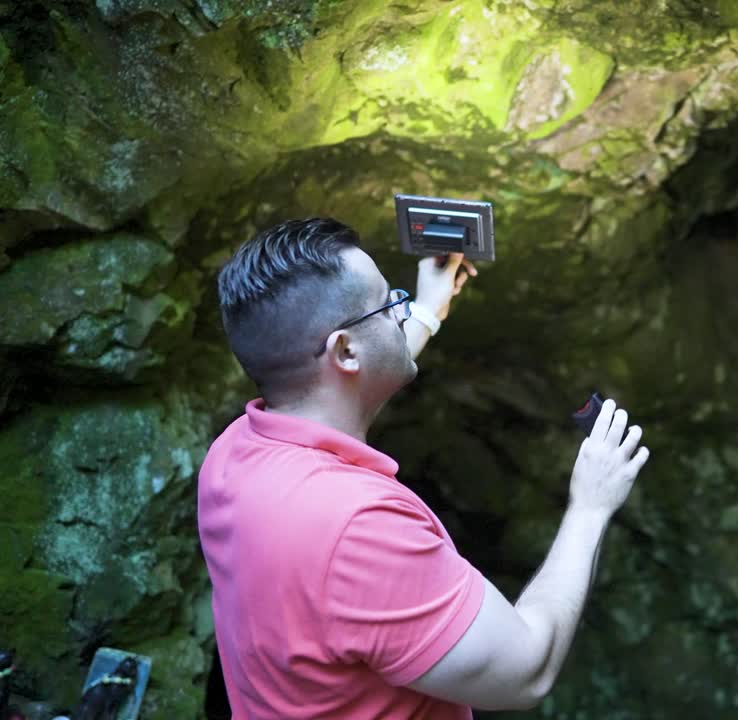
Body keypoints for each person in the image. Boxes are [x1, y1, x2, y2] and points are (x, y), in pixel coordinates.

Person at [198, 217, 650, 719]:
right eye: (390, 303)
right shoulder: (357, 531)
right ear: (345, 350)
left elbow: (339, 393)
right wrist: (590, 505)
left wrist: (426, 313)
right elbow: (526, 671)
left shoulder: (232, 454)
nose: (401, 311)